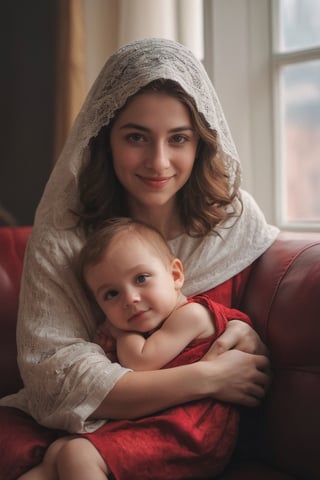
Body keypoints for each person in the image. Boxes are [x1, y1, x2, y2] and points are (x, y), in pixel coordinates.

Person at [0, 37, 279, 477]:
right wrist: (211, 378)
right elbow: (57, 377)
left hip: (184, 428)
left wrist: (245, 333)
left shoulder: (232, 222)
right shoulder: (65, 232)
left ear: (201, 143)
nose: (159, 161)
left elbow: (237, 329)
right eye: (136, 137)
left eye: (179, 138)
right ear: (105, 139)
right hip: (78, 420)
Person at [19, 217, 254, 480]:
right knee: (57, 453)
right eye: (111, 294)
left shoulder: (193, 315)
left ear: (175, 275)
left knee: (78, 454)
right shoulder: (156, 328)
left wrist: (121, 332)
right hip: (159, 421)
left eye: (141, 278)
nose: (130, 299)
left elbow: (140, 363)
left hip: (192, 433)